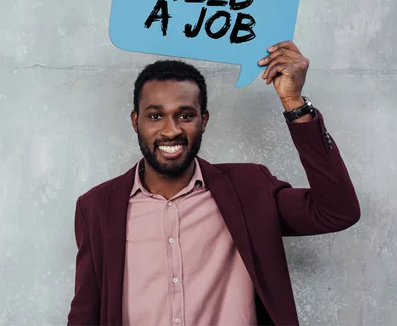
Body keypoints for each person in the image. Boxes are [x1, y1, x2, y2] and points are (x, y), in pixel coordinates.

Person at [66, 41, 360, 326]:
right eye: (155, 116)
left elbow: (336, 211)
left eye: (185, 115)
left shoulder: (249, 189)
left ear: (203, 121)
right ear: (136, 121)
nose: (171, 130)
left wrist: (294, 103)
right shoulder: (96, 207)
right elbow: (85, 313)